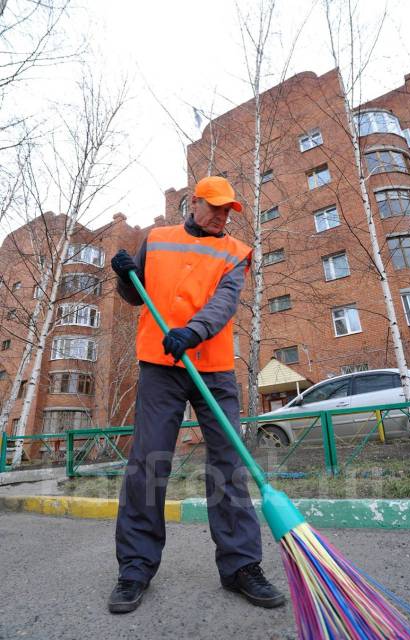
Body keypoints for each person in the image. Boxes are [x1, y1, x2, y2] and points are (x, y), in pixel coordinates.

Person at [108, 176, 285, 614]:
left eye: (229, 210)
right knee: (148, 463)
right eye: (217, 207)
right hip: (160, 366)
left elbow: (225, 303)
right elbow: (136, 295)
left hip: (214, 368)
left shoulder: (235, 252)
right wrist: (125, 276)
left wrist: (192, 332)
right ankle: (135, 567)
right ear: (195, 203)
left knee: (228, 463)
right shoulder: (158, 240)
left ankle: (241, 566)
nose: (224, 215)